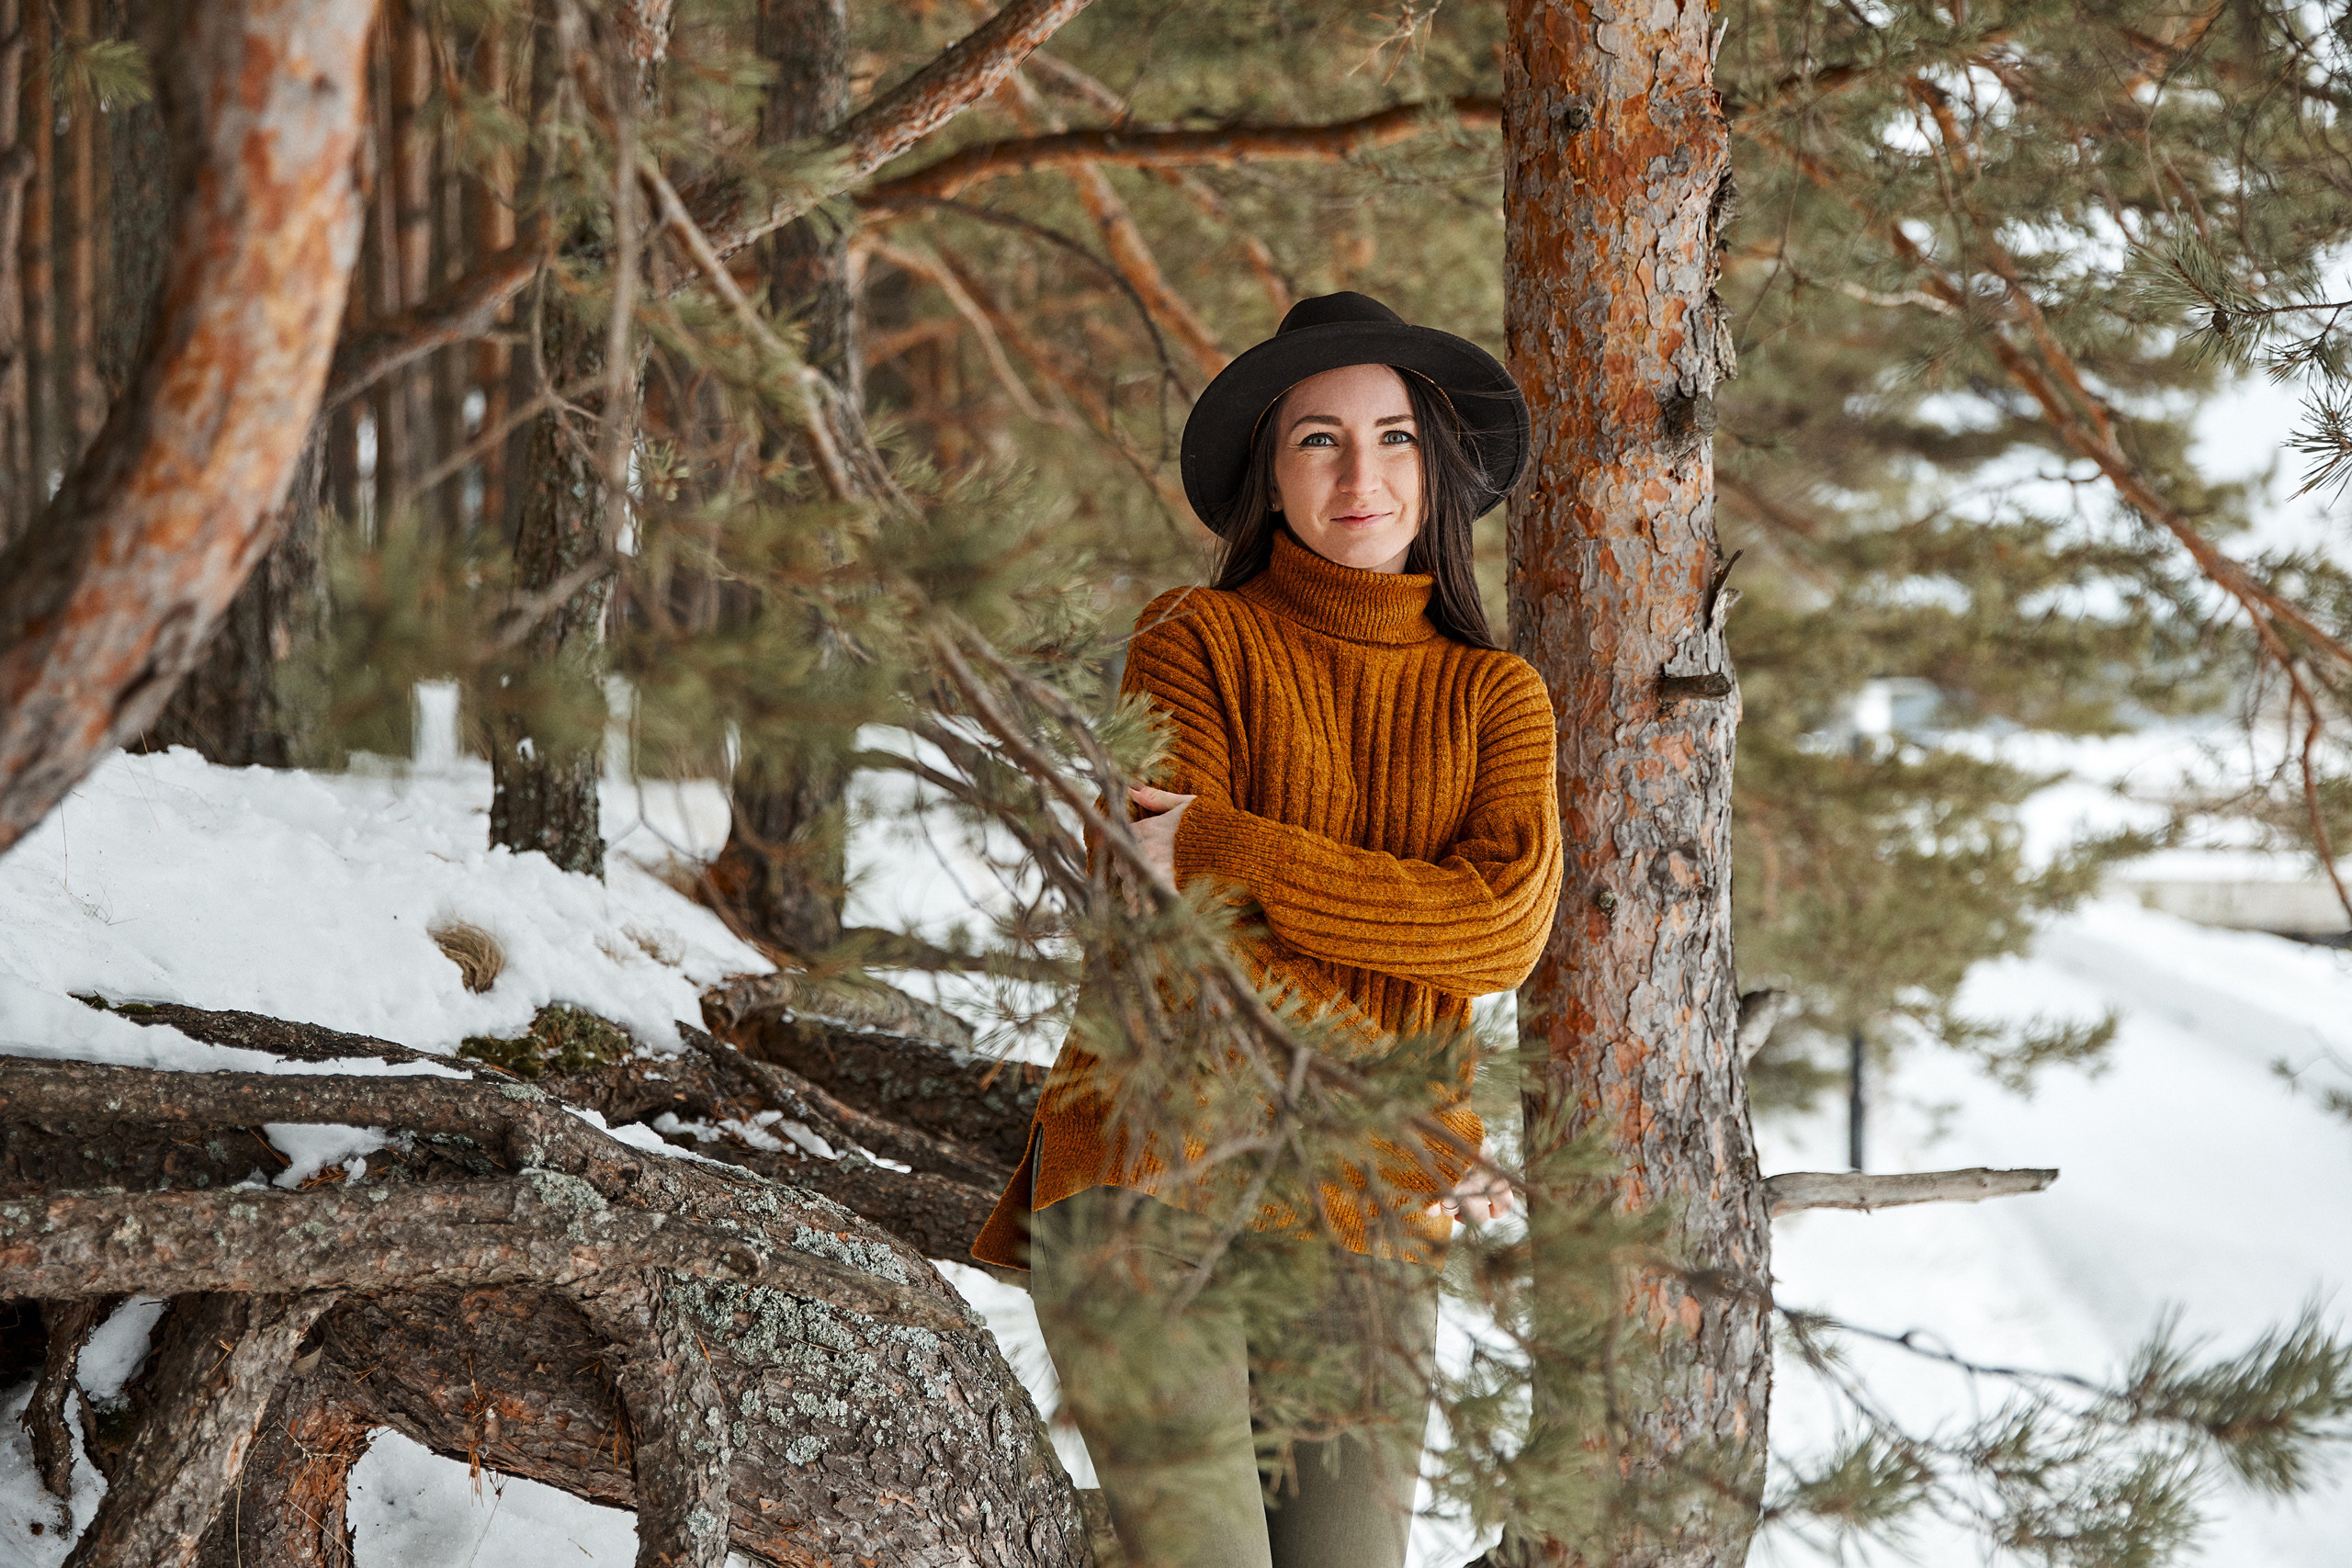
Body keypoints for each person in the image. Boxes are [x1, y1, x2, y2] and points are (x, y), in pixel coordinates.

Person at [971, 292, 1566, 1568]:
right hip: (1154, 1171)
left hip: (1370, 1215)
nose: (1361, 476)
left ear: (1438, 466)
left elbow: (1498, 932)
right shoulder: (1194, 639)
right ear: (1270, 472)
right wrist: (1405, 1096)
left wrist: (1231, 844)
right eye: (1318, 441)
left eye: (1394, 438)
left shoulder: (1497, 696)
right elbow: (1180, 944)